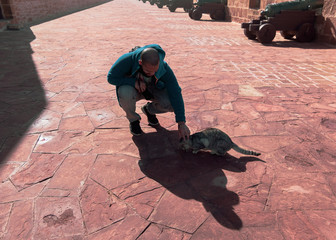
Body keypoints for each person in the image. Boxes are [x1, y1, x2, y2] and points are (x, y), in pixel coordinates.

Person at [107, 44, 190, 140]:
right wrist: (133, 82)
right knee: (125, 93)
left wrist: (181, 123)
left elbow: (176, 92)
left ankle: (149, 110)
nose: (152, 73)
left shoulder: (164, 67)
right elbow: (111, 78)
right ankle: (133, 120)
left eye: (155, 70)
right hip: (133, 89)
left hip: (152, 89)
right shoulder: (127, 60)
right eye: (148, 71)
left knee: (171, 103)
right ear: (140, 62)